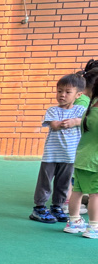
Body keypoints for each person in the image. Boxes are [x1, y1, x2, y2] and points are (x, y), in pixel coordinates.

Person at [32, 74, 86, 223]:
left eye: (68, 92)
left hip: (69, 156)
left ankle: (57, 206)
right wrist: (64, 124)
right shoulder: (53, 110)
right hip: (51, 155)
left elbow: (86, 121)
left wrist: (75, 122)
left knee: (63, 183)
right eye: (59, 91)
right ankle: (39, 207)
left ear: (78, 95)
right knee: (45, 182)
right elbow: (54, 125)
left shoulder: (80, 110)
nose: (62, 95)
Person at [64, 72, 98, 237]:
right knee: (95, 194)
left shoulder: (90, 108)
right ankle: (94, 226)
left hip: (82, 157)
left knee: (77, 190)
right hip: (95, 161)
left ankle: (73, 221)